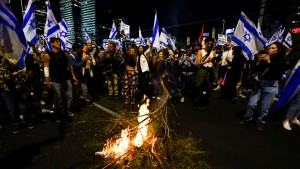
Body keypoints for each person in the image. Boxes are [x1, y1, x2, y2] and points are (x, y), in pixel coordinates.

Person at [239, 42, 287, 131]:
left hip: (271, 86)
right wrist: (259, 61)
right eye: (269, 47)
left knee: (265, 107)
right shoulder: (264, 57)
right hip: (259, 83)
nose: (270, 49)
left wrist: (269, 62)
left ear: (278, 50)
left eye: (273, 48)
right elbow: (255, 69)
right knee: (251, 104)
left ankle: (260, 121)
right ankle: (248, 117)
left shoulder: (281, 61)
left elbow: (277, 74)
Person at [43, 37, 78, 126]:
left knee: (69, 96)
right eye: (57, 42)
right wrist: (48, 81)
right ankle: (58, 114)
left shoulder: (65, 53)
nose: (59, 43)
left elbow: (69, 66)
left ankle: (66, 112)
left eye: (59, 42)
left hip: (66, 79)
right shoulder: (48, 55)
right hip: (55, 81)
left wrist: (73, 76)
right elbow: (46, 68)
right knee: (58, 99)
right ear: (52, 44)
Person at [282, 58, 300, 131]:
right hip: (297, 78)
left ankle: (295, 117)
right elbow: (297, 68)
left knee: (299, 101)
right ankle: (286, 120)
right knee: (294, 99)